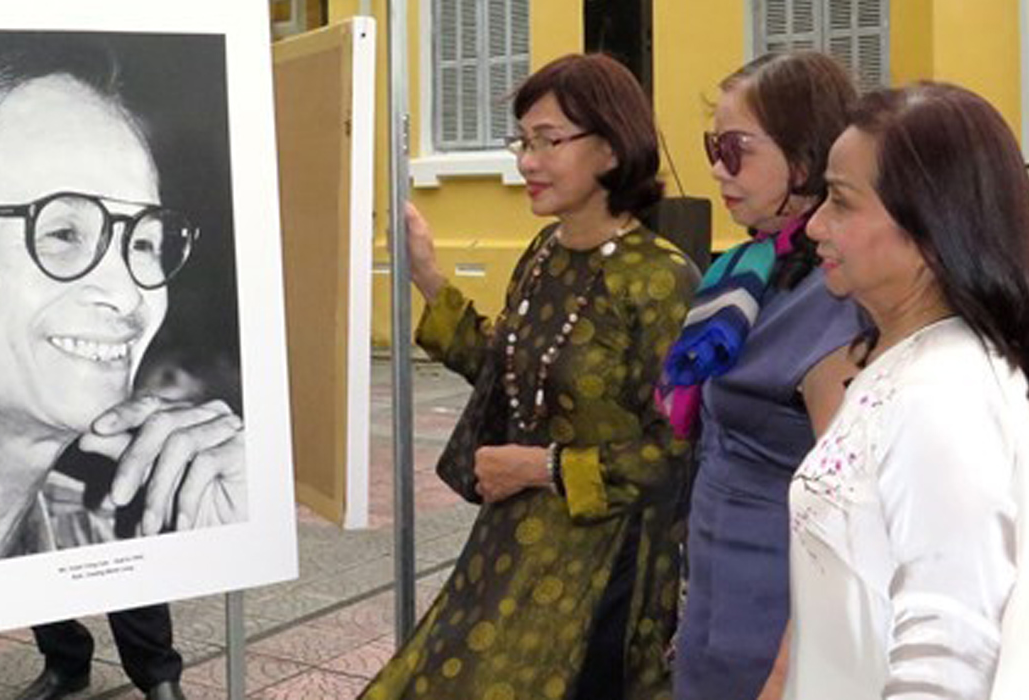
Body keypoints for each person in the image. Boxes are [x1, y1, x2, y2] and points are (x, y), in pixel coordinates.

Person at [0, 32, 246, 699]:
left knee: (127, 554)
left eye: (145, 241)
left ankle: (156, 674)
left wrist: (239, 513)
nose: (128, 296)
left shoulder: (135, 462)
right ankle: (66, 660)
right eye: (63, 232)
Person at [362, 54, 699, 700]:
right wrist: (427, 274)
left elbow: (675, 450)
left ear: (609, 149)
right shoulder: (543, 256)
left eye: (547, 141)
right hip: (514, 543)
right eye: (522, 140)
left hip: (607, 567)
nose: (526, 161)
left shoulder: (661, 279)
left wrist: (542, 468)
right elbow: (507, 366)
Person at [788, 82, 1029, 698]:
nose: (814, 225)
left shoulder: (942, 391)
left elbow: (949, 651)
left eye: (839, 201)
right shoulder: (908, 363)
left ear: (929, 228)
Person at [663, 52, 861, 700]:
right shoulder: (749, 271)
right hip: (716, 601)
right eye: (711, 145)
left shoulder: (833, 296)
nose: (717, 166)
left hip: (775, 618)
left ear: (804, 158)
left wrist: (785, 675)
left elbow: (850, 523)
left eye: (735, 147)